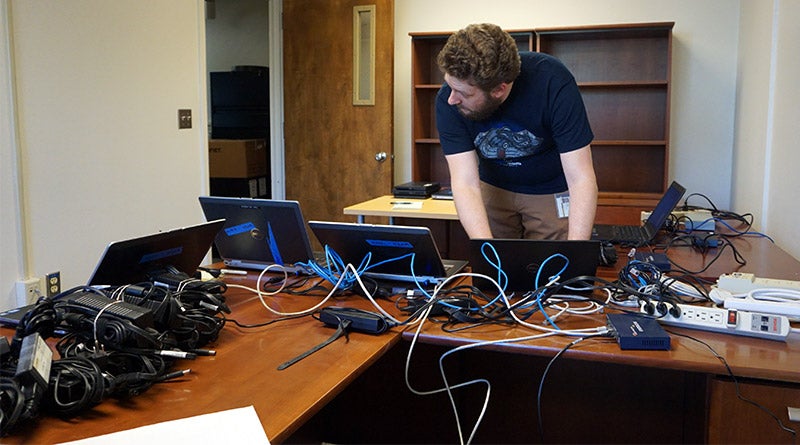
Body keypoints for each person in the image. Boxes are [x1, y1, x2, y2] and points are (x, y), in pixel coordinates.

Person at [435, 23, 598, 240]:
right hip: (493, 187)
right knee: (495, 266)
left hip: (549, 188)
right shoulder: (450, 98)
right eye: (450, 86)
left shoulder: (552, 80)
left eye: (463, 93)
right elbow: (464, 181)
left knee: (556, 267)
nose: (451, 98)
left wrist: (577, 256)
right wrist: (486, 251)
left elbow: (581, 177)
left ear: (498, 89)